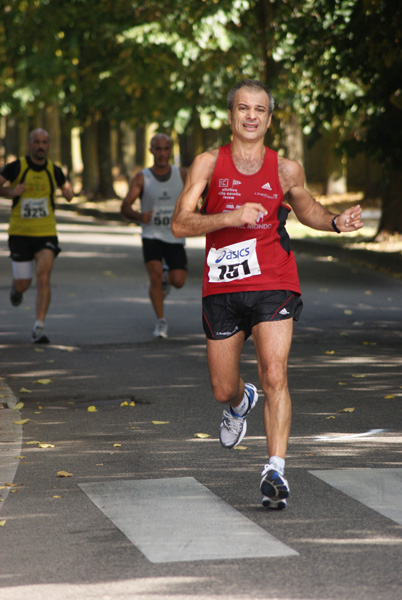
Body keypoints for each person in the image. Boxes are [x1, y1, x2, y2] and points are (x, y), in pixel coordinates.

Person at [171, 79, 363, 509]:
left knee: (275, 373)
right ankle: (242, 402)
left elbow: (306, 206)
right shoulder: (206, 163)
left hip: (274, 279)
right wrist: (229, 216)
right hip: (221, 285)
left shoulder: (285, 168)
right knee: (223, 388)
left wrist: (335, 222)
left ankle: (275, 468)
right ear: (231, 115)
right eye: (243, 109)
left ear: (270, 118)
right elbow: (180, 223)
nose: (251, 116)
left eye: (260, 110)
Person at [0, 128, 74, 343]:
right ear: (30, 144)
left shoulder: (54, 170)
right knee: (24, 283)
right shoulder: (17, 167)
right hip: (20, 233)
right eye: (37, 142)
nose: (41, 146)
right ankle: (17, 289)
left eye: (44, 142)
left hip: (46, 232)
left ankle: (39, 326)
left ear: (49, 145)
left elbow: (68, 191)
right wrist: (10, 192)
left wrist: (69, 193)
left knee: (43, 276)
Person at [121, 133, 187, 338]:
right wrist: (140, 216)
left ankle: (167, 277)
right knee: (155, 276)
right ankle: (161, 322)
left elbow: (201, 193)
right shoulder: (142, 177)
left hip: (175, 235)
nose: (162, 153)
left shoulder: (182, 174)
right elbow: (125, 207)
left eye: (166, 149)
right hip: (151, 235)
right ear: (151, 151)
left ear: (171, 150)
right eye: (158, 149)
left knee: (179, 280)